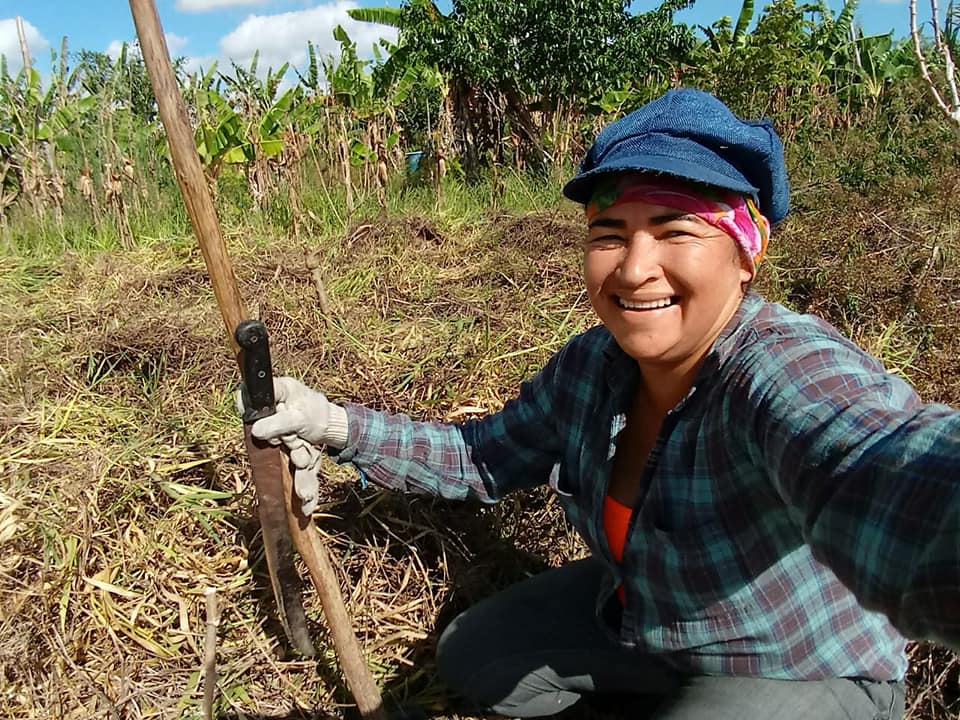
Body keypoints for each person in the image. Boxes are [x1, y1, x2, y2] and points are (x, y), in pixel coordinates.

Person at [240, 89, 960, 719]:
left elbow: (878, 461)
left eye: (676, 230)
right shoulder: (592, 368)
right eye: (610, 234)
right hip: (653, 616)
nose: (635, 266)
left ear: (747, 251)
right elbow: (482, 456)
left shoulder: (780, 368)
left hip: (796, 662)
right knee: (475, 657)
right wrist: (335, 425)